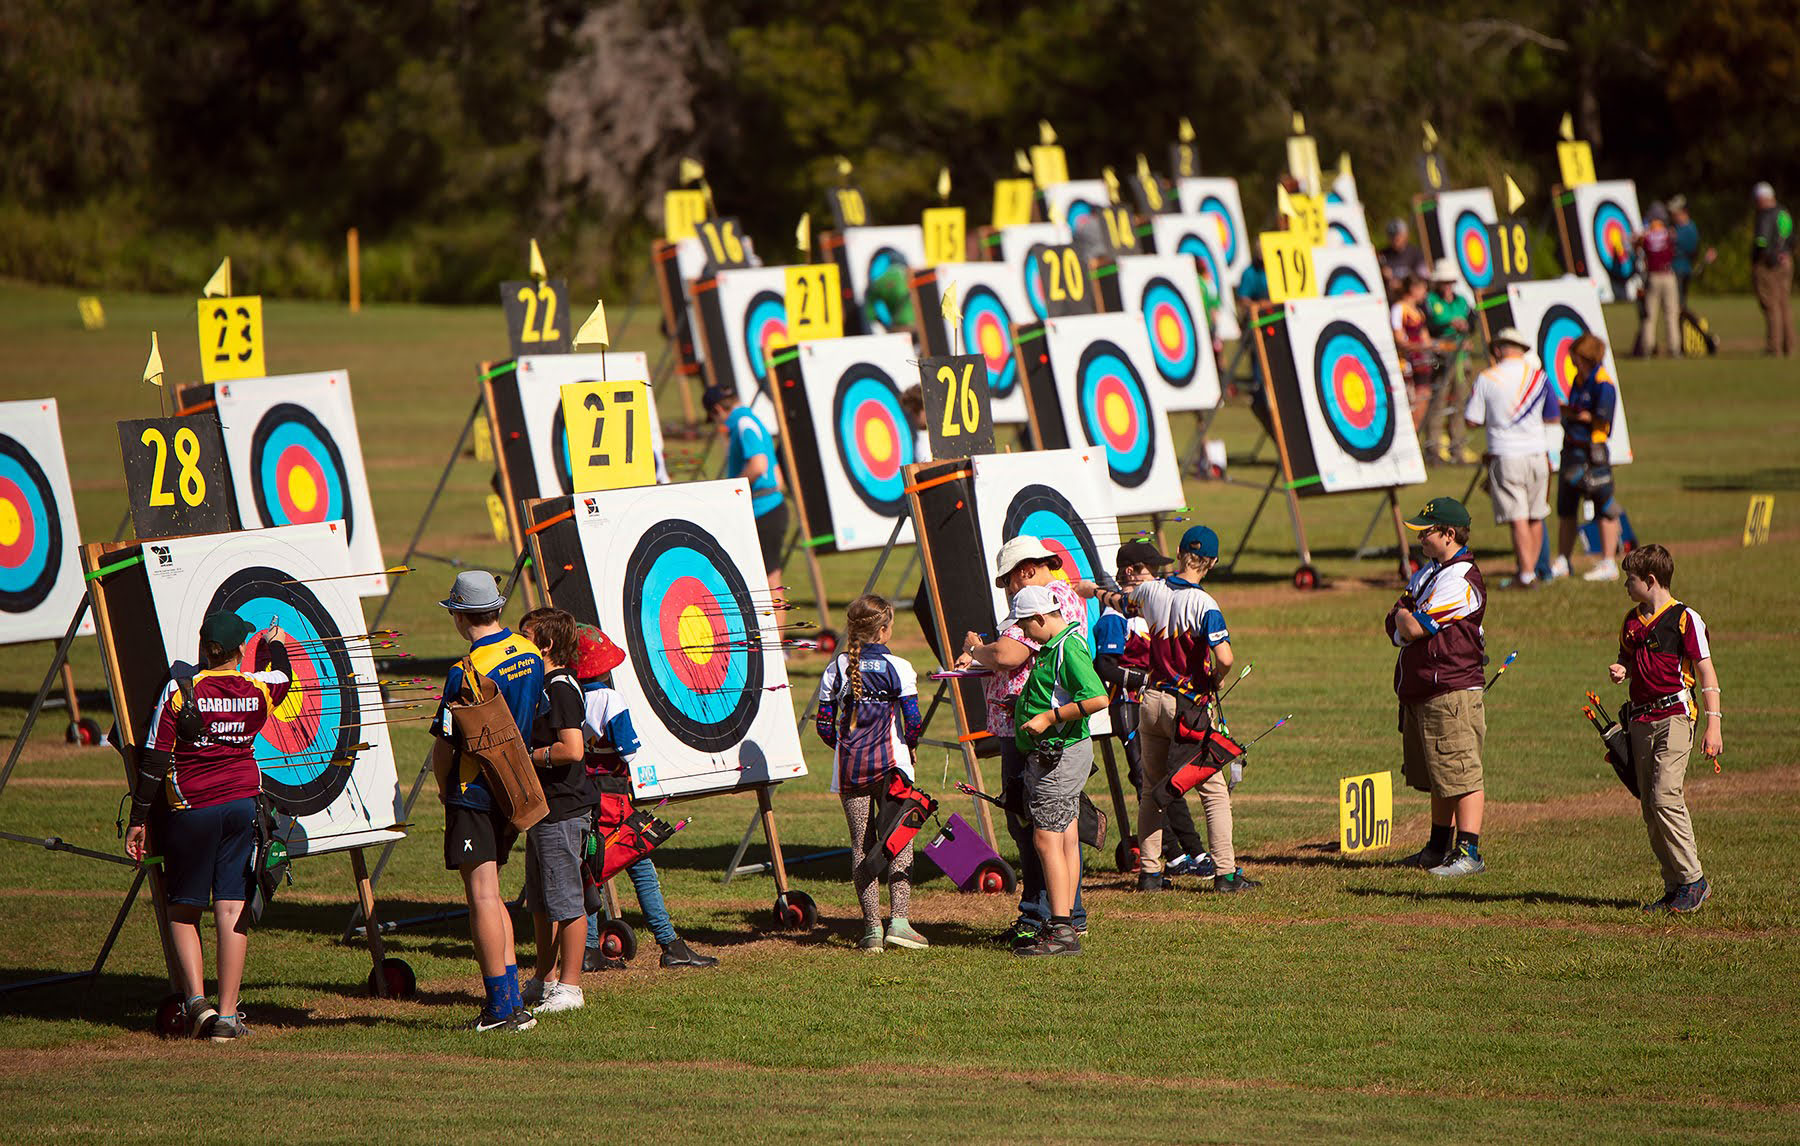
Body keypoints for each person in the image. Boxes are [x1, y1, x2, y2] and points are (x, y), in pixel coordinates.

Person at [124, 611, 290, 1041]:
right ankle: (229, 1017)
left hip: (192, 809)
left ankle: (197, 1003)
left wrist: (139, 819)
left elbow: (155, 760)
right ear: (238, 651)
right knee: (232, 908)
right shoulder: (258, 688)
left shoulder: (180, 692)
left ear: (203, 648)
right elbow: (283, 674)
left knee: (183, 911)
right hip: (240, 805)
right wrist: (272, 642)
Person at [1077, 526, 1255, 893]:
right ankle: (1225, 873)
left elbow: (1118, 601)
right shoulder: (1205, 605)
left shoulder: (1151, 590)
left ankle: (1150, 873)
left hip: (1150, 702)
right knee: (1213, 789)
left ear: (1178, 553)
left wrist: (1091, 591)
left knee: (1152, 789)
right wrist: (1214, 679)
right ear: (1213, 563)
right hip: (1185, 707)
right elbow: (1225, 657)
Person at [955, 537, 1090, 948]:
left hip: (1031, 731)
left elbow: (1010, 656)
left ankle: (1042, 916)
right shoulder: (1063, 594)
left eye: (1009, 582)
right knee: (1057, 825)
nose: (1009, 592)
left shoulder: (1041, 600)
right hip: (1037, 729)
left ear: (1027, 570)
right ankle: (1067, 913)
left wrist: (977, 650)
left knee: (1034, 823)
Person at [431, 571, 544, 1033]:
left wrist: (444, 788)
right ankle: (513, 1001)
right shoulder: (531, 652)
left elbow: (445, 742)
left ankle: (500, 1008)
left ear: (460, 615)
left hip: (474, 790)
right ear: (496, 609)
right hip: (513, 783)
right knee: (493, 893)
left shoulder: (466, 671)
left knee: (481, 896)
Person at [571, 624, 718, 973]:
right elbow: (628, 751)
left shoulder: (569, 693)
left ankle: (591, 949)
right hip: (613, 799)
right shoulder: (611, 699)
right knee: (639, 865)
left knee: (592, 869)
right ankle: (670, 945)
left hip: (584, 794)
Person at [1607, 544, 1721, 914]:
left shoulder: (1686, 619)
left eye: (1631, 579)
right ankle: (1674, 886)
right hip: (1640, 718)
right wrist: (1622, 668)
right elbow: (1628, 654)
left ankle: (1693, 880)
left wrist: (1713, 725)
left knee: (1664, 796)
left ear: (1651, 581)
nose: (1626, 585)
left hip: (1675, 714)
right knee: (1649, 806)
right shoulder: (1631, 620)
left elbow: (1705, 671)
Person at [1092, 541, 1212, 879]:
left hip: (1154, 702)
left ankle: (1191, 851)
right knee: (1149, 779)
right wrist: (1147, 679)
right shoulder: (1115, 616)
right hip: (1129, 705)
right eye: (1150, 571)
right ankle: (1177, 855)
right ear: (1130, 572)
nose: (1157, 577)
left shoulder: (1148, 607)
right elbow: (1106, 666)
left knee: (1170, 778)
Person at [813, 594, 926, 953]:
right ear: (884, 629)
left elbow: (824, 726)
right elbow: (913, 722)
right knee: (899, 839)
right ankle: (901, 923)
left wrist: (846, 750)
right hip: (894, 769)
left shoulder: (836, 668)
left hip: (851, 771)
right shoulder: (901, 667)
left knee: (861, 844)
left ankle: (871, 931)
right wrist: (911, 746)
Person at [1385, 497, 1487, 877]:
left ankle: (1469, 851)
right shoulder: (1429, 571)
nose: (1419, 539)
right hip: (1423, 688)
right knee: (1440, 773)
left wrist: (1404, 617)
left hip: (1452, 690)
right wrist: (1403, 616)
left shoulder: (1460, 580)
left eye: (1425, 532)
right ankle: (1437, 847)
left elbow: (1412, 626)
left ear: (1448, 534)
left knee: (1461, 771)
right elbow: (1394, 619)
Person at [1006, 584, 1108, 958]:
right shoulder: (1056, 647)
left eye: (1024, 626)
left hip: (1059, 757)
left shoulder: (1067, 647)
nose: (1024, 634)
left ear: (1039, 618)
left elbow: (1096, 697)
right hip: (1063, 753)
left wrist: (1048, 718)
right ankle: (1067, 923)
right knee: (1064, 838)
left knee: (1046, 840)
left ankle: (1061, 929)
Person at [514, 608, 596, 1015]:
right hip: (543, 810)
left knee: (566, 901)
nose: (518, 642)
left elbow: (573, 749)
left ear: (545, 645)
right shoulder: (542, 684)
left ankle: (570, 987)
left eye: (525, 636)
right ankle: (543, 979)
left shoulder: (560, 687)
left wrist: (532, 756)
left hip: (563, 810)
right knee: (542, 902)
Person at [1463, 326, 1556, 588]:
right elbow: (1552, 415)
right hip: (1538, 453)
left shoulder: (1487, 377)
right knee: (1536, 514)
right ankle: (1533, 572)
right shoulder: (1539, 376)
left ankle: (1525, 575)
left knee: (1517, 517)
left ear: (1499, 349)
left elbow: (1471, 419)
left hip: (1506, 455)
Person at [1551, 333, 1624, 582]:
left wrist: (1578, 415)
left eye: (1576, 358)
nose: (1572, 362)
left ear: (1588, 358)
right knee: (1566, 507)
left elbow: (1601, 418)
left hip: (1593, 452)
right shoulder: (1579, 380)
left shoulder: (1603, 383)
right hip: (1572, 449)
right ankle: (1563, 560)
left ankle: (1608, 562)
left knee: (1605, 506)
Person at [704, 384, 787, 593]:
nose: (718, 423)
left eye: (714, 417)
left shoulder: (742, 425)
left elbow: (758, 465)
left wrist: (732, 492)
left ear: (717, 410)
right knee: (769, 580)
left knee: (769, 583)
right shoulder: (754, 420)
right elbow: (778, 478)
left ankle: (775, 627)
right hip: (772, 506)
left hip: (763, 510)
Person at [1423, 258, 1478, 463]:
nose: (1447, 286)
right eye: (1444, 282)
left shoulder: (1461, 301)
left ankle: (1458, 447)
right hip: (1442, 357)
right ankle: (1434, 448)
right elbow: (1430, 325)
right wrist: (1449, 323)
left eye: (1450, 282)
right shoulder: (1431, 301)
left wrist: (1466, 329)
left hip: (1461, 358)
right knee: (1438, 402)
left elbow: (1473, 323)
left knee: (1460, 402)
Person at [1750, 182, 1794, 356]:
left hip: (1768, 265)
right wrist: (1786, 254)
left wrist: (1760, 258)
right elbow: (1792, 238)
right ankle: (1789, 346)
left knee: (1771, 305)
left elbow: (1761, 241)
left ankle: (1773, 346)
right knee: (1784, 304)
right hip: (1786, 262)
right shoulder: (1784, 213)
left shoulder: (1765, 215)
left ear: (1761, 198)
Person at [1634, 202, 1681, 358]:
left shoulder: (1646, 236)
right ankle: (1674, 349)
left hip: (1653, 277)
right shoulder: (1669, 234)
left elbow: (1636, 247)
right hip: (1668, 275)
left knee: (1649, 316)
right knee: (1671, 314)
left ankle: (1647, 349)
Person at [1390, 275, 1435, 428]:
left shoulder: (1418, 312)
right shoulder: (1399, 309)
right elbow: (1400, 339)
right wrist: (1420, 347)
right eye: (1422, 289)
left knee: (1423, 398)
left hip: (1421, 363)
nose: (1425, 293)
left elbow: (1425, 338)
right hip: (1406, 363)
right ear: (1413, 289)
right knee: (1410, 404)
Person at [1668, 196, 1713, 310]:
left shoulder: (1690, 229)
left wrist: (1674, 239)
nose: (1673, 216)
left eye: (1676, 213)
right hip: (1674, 270)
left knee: (1679, 304)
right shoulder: (1676, 227)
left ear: (1683, 212)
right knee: (1675, 304)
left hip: (1682, 270)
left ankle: (1695, 326)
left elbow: (1692, 249)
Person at [1379, 218, 1427, 298]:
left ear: (1405, 235)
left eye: (1398, 235)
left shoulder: (1416, 254)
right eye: (1392, 236)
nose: (1395, 239)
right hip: (1392, 300)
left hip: (1412, 300)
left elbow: (1422, 280)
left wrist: (1400, 284)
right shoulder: (1383, 255)